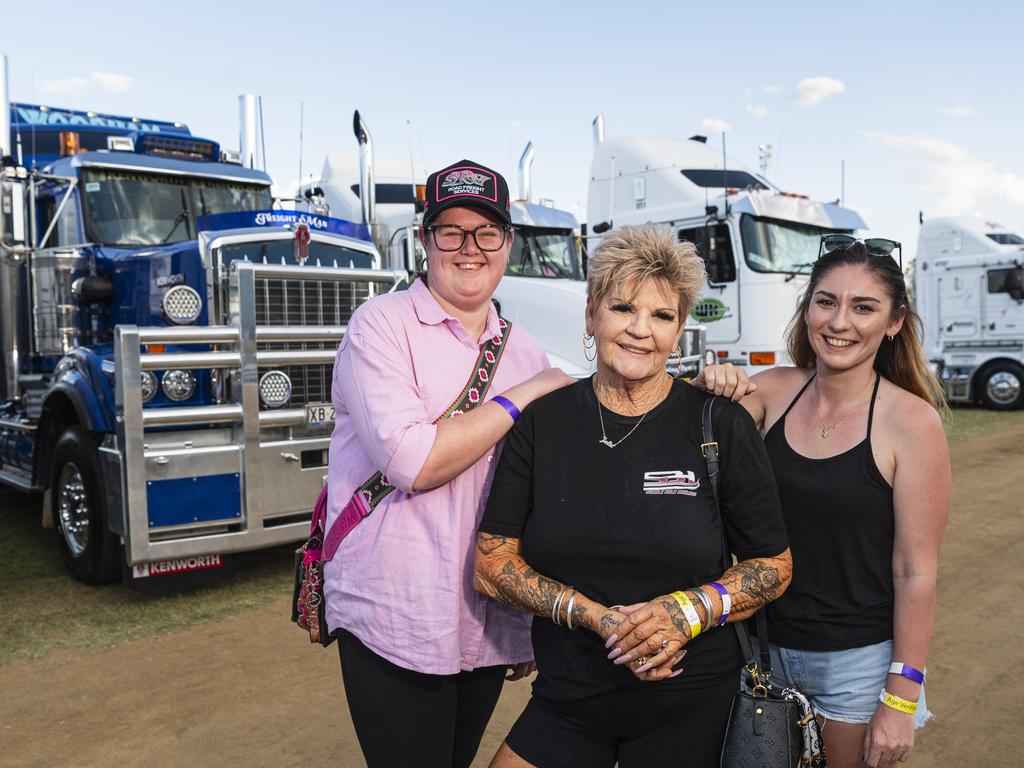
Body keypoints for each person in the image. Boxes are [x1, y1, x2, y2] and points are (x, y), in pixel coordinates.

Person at [473, 224, 793, 768]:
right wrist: (603, 620)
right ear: (592, 315)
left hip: (693, 705)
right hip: (569, 700)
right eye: (623, 308)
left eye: (662, 316)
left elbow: (774, 565)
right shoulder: (543, 424)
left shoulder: (718, 423)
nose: (640, 331)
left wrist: (681, 612)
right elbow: (491, 563)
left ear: (680, 329)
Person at [322, 159, 574, 768]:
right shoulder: (379, 328)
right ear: (425, 240)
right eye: (451, 232)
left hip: (482, 611)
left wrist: (528, 612)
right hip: (396, 611)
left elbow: (536, 490)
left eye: (486, 232)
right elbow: (414, 461)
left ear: (507, 244)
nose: (470, 248)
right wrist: (523, 396)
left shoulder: (525, 348)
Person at [702, 236, 950, 768]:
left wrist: (900, 699)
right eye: (826, 301)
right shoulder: (768, 392)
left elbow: (915, 572)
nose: (840, 322)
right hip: (756, 651)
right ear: (808, 307)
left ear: (894, 322)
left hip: (856, 668)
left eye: (864, 307)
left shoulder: (912, 424)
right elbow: (682, 453)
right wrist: (708, 387)